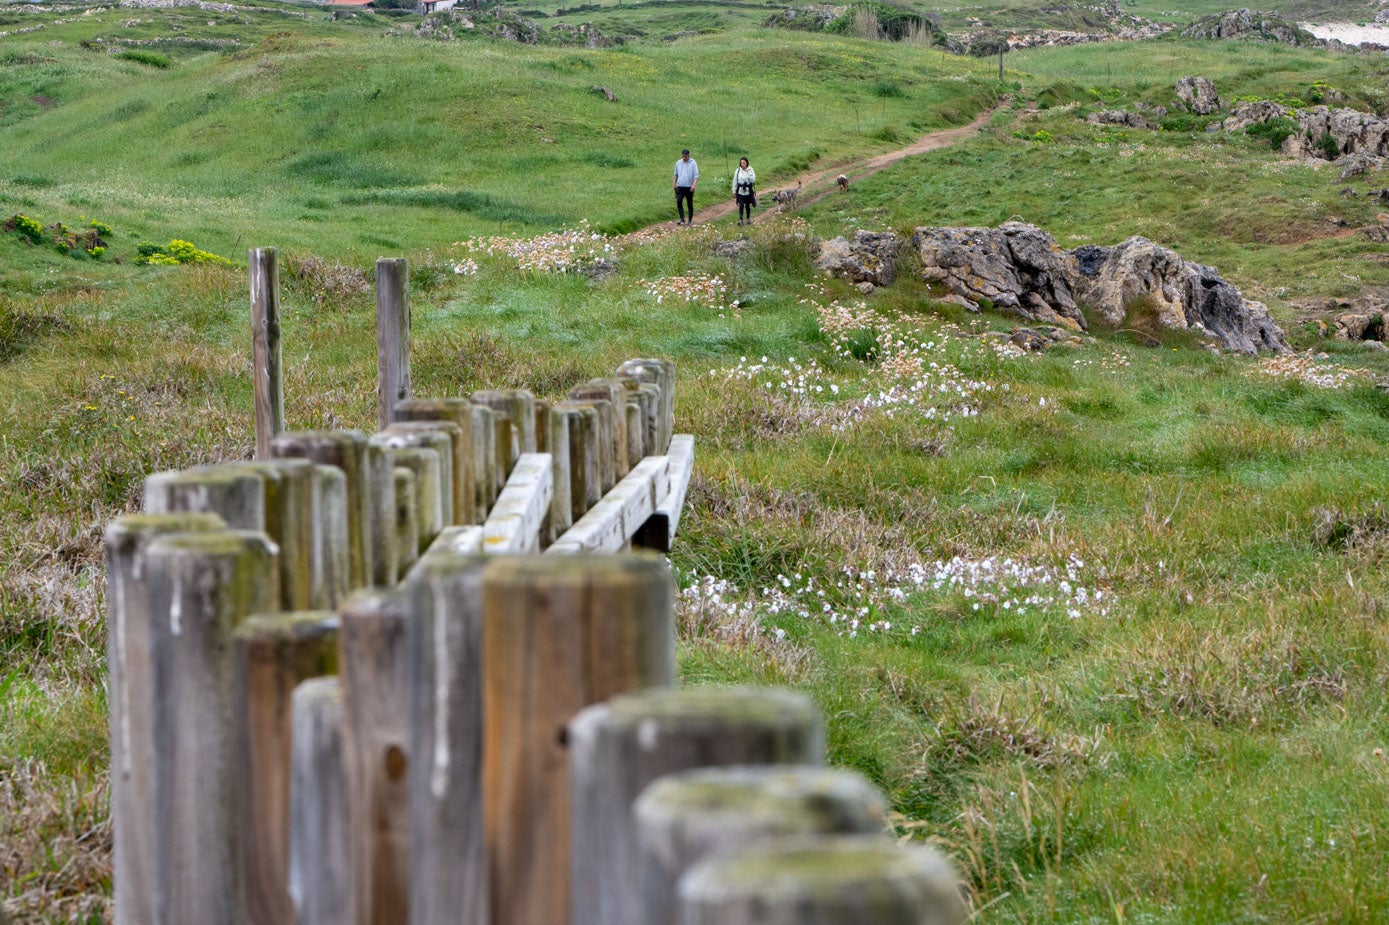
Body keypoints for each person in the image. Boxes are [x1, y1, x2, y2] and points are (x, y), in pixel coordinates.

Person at [673, 149, 699, 225]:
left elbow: (696, 175)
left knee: (689, 203)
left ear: (688, 156)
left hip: (689, 187)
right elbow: (675, 174)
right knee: (679, 201)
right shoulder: (678, 163)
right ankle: (682, 219)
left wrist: (694, 185)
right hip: (680, 186)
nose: (684, 158)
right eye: (683, 156)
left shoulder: (693, 163)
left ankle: (690, 219)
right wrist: (674, 184)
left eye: (686, 156)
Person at [732, 157, 756, 226]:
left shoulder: (750, 170)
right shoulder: (738, 171)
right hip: (740, 191)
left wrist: (749, 174)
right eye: (741, 162)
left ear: (747, 163)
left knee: (747, 205)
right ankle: (741, 219)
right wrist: (734, 190)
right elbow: (735, 181)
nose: (742, 164)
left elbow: (753, 180)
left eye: (744, 162)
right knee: (741, 205)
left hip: (748, 191)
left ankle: (748, 218)